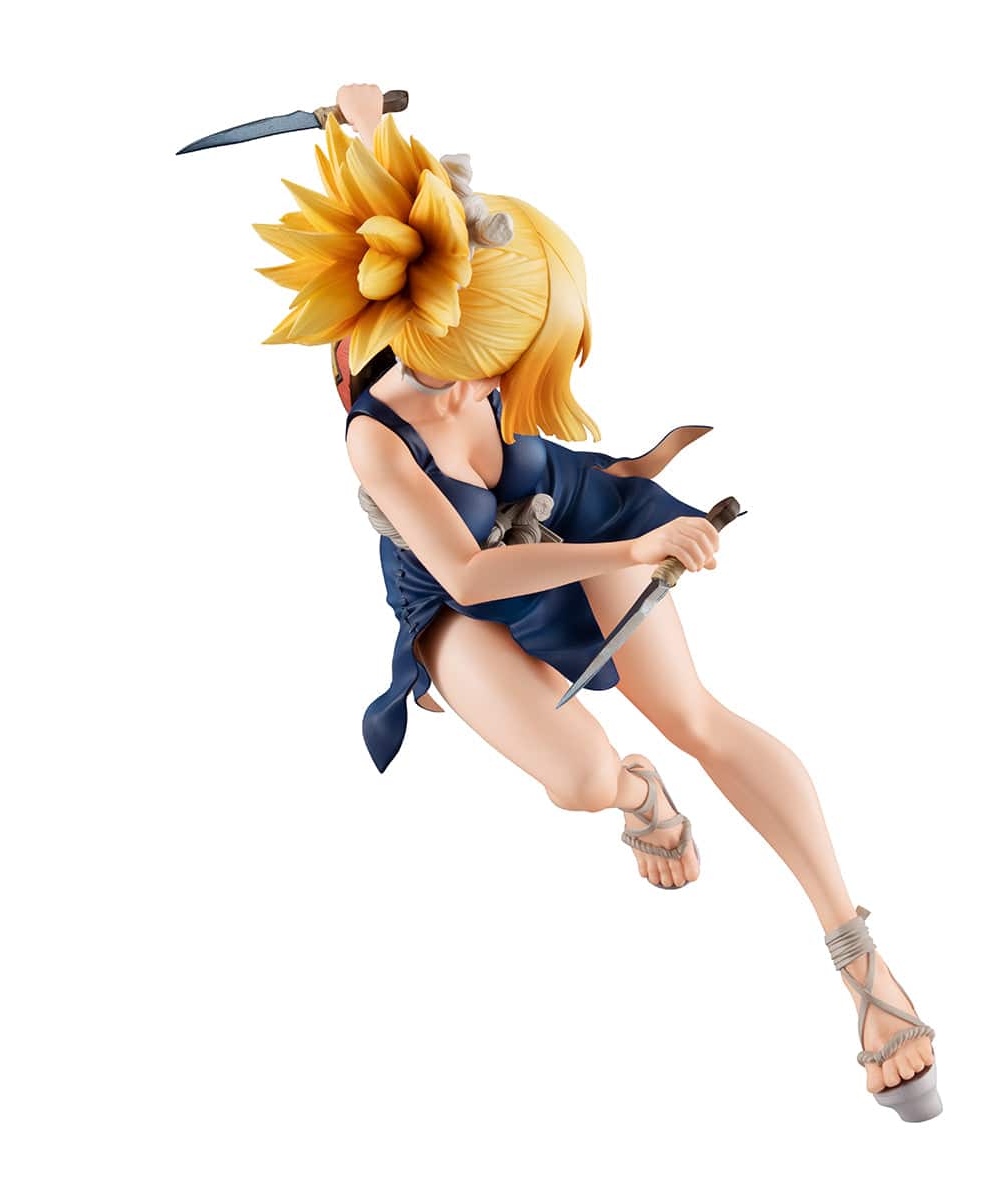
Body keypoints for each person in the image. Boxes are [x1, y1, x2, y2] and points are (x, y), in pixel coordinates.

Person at [251, 82, 942, 1120]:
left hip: (568, 511)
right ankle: (637, 796)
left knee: (697, 715)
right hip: (457, 591)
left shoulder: (437, 262)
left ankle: (862, 962)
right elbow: (471, 575)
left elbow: (404, 194)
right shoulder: (372, 431)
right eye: (481, 368)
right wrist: (633, 545)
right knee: (579, 779)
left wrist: (366, 124)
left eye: (505, 369)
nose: (487, 393)